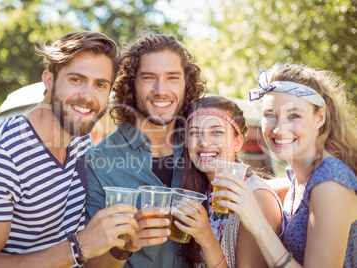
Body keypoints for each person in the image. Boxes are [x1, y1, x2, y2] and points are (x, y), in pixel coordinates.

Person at [0, 31, 138, 268]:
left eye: (100, 85)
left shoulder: (80, 142)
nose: (88, 96)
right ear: (49, 79)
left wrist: (121, 247)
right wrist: (78, 247)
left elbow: (84, 257)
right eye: (76, 79)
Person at [215, 63, 357, 267]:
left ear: (320, 118)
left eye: (294, 116)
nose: (279, 129)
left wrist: (258, 224)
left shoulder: (331, 183)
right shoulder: (298, 176)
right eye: (270, 115)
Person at [85, 33, 207, 267]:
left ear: (186, 83)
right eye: (149, 77)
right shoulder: (98, 163)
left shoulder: (201, 150)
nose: (161, 90)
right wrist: (126, 247)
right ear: (131, 84)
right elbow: (89, 262)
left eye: (172, 77)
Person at [174, 96, 282, 268]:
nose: (204, 142)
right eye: (194, 133)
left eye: (216, 132)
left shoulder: (258, 199)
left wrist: (207, 238)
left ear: (237, 142)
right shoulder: (201, 191)